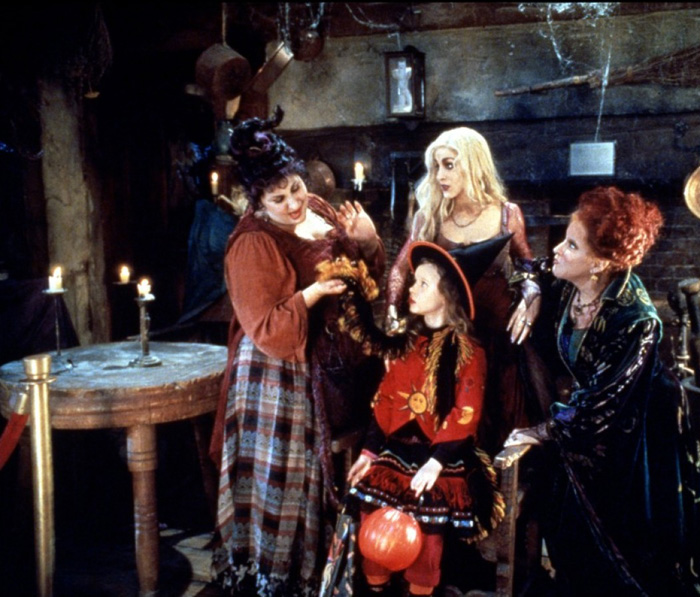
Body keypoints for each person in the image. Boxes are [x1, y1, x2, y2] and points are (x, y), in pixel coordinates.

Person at [506, 186, 700, 596]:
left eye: (571, 245)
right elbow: (529, 268)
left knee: (622, 545)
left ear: (600, 262)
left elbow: (600, 408)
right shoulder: (567, 282)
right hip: (589, 415)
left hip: (638, 431)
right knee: (568, 530)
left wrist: (539, 431)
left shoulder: (637, 320)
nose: (558, 250)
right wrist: (532, 292)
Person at [208, 117, 386, 596]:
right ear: (256, 202)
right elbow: (266, 327)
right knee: (284, 482)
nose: (292, 204)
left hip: (336, 356)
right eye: (277, 199)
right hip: (277, 370)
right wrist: (311, 294)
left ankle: (357, 560)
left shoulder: (320, 208)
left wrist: (367, 241)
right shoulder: (252, 241)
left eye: (295, 189)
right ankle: (285, 573)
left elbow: (365, 279)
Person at [343, 237, 508, 596]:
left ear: (447, 294)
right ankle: (376, 588)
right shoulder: (405, 342)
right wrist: (369, 451)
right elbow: (387, 399)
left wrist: (436, 462)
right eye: (413, 281)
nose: (411, 289)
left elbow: (466, 412)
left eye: (423, 284)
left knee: (424, 519)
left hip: (441, 454)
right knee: (371, 507)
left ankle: (421, 590)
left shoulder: (468, 351)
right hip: (398, 448)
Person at [384, 126, 551, 455]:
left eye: (449, 165)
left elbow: (528, 267)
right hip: (450, 338)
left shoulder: (507, 214)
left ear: (473, 164)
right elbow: (400, 269)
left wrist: (532, 295)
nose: (440, 176)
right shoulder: (429, 216)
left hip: (497, 336)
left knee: (498, 434)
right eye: (436, 167)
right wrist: (392, 311)